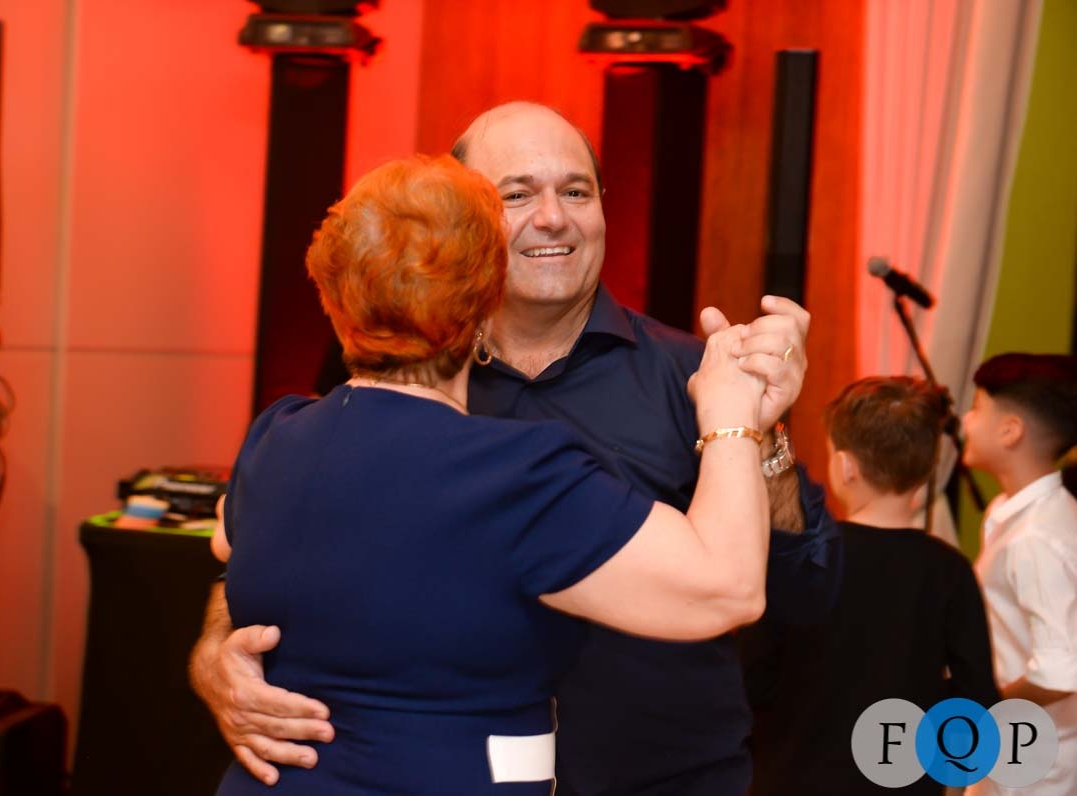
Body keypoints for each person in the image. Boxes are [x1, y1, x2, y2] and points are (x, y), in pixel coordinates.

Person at [190, 102, 837, 795]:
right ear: (463, 228)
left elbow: (801, 594)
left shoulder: (692, 373)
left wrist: (762, 434)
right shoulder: (395, 389)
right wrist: (216, 650)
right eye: (518, 195)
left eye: (577, 191)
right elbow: (290, 555)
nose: (553, 217)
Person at [744, 376, 998, 795]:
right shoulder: (949, 570)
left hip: (791, 777)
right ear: (926, 472)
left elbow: (751, 679)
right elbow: (978, 704)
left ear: (845, 466)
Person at [962, 353, 1077, 796]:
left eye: (977, 409)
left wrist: (987, 705)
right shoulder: (1015, 512)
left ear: (1011, 431)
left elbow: (1058, 673)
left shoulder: (1036, 538)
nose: (965, 420)